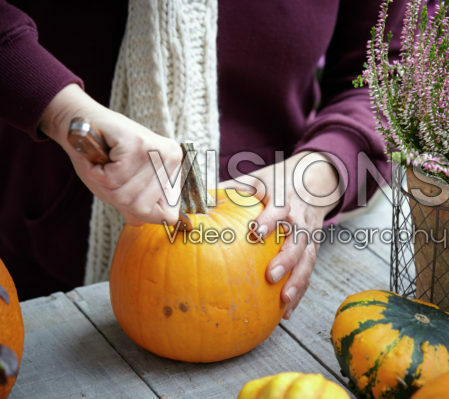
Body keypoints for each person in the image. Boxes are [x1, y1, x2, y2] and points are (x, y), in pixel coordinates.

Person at [0, 0, 405, 318]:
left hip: (263, 258)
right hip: (44, 256)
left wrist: (324, 167)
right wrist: (63, 112)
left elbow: (392, 69)